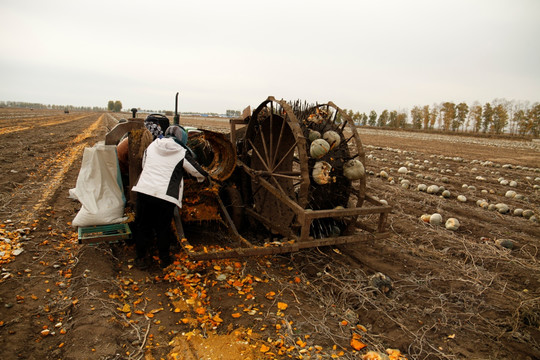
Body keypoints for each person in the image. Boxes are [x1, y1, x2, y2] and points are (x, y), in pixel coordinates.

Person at [131, 125, 209, 269]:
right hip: (165, 196)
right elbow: (197, 171)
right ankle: (164, 259)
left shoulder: (152, 145)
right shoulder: (182, 152)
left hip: (144, 191)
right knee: (163, 228)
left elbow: (144, 164)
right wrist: (205, 177)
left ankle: (141, 258)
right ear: (182, 139)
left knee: (143, 226)